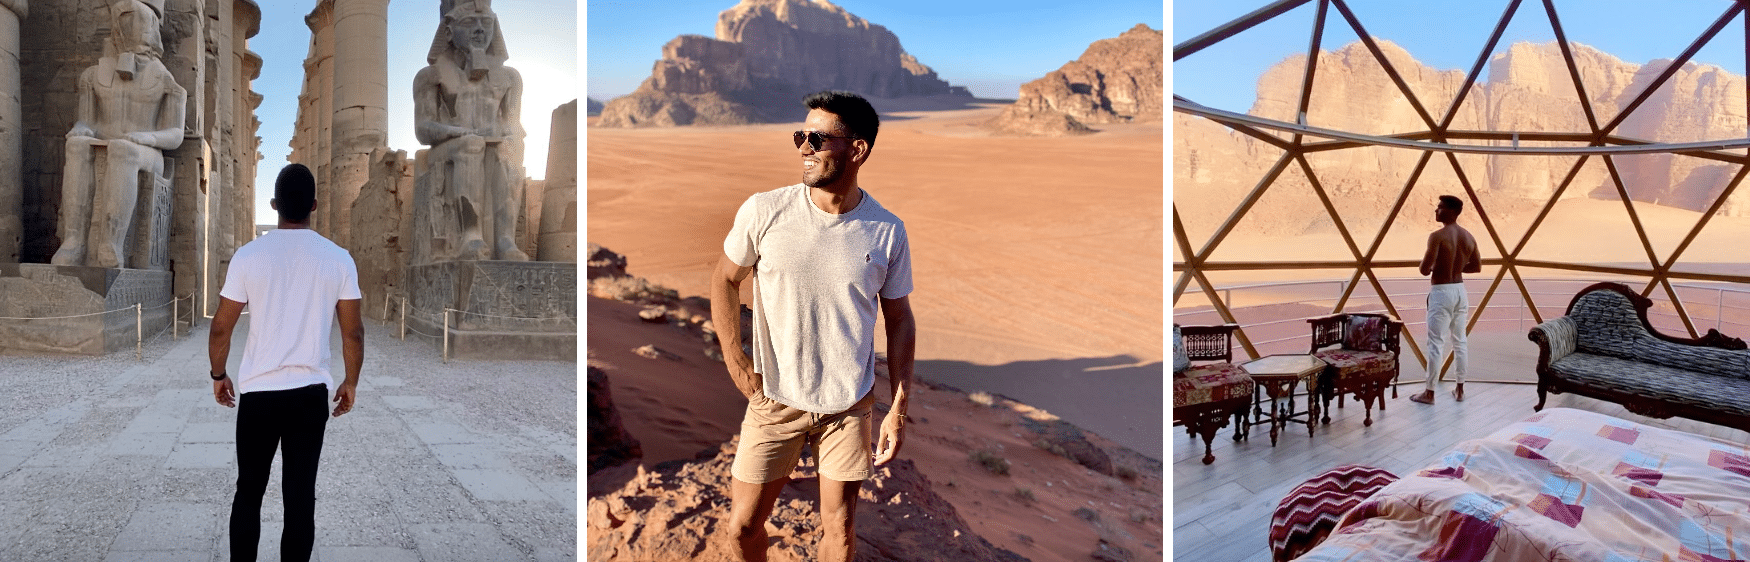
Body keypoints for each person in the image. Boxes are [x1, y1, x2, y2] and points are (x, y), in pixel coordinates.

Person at [711, 90, 916, 562]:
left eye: (817, 139)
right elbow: (724, 278)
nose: (804, 147)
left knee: (840, 533)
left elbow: (899, 319)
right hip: (775, 401)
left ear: (857, 149)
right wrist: (736, 362)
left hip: (848, 405)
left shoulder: (887, 230)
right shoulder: (765, 211)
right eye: (800, 136)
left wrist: (898, 407)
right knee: (742, 528)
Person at [207, 163, 363, 562]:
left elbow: (221, 328)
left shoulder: (249, 255)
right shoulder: (338, 258)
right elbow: (353, 333)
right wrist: (350, 382)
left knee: (249, 492)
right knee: (299, 497)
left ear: (274, 205)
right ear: (313, 205)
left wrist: (219, 374)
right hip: (310, 395)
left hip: (259, 393)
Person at [52, 0, 186, 268]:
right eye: (122, 20)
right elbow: (86, 122)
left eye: (134, 20)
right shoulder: (92, 75)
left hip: (148, 152)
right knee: (77, 146)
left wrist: (148, 137)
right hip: (109, 141)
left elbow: (175, 134)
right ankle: (74, 240)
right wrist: (81, 129)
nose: (127, 27)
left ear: (150, 27)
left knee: (122, 150)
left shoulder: (165, 80)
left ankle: (111, 244)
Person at [412, 0, 528, 263]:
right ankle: (471, 235)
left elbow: (513, 123)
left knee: (509, 149)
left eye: (486, 23)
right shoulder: (430, 76)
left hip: (486, 142)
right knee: (471, 145)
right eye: (469, 23)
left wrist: (503, 132)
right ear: (449, 32)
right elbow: (423, 129)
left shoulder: (510, 77)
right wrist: (459, 131)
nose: (479, 30)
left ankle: (505, 240)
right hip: (448, 148)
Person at [1411, 195, 1480, 405]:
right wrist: (1457, 268)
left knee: (1435, 343)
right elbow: (1476, 267)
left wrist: (1436, 267)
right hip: (1460, 291)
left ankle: (1429, 392)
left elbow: (1424, 269)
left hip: (1441, 292)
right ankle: (1459, 390)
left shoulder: (1437, 236)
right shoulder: (1469, 237)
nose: (1436, 210)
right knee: (1460, 341)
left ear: (1451, 211)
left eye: (1439, 207)